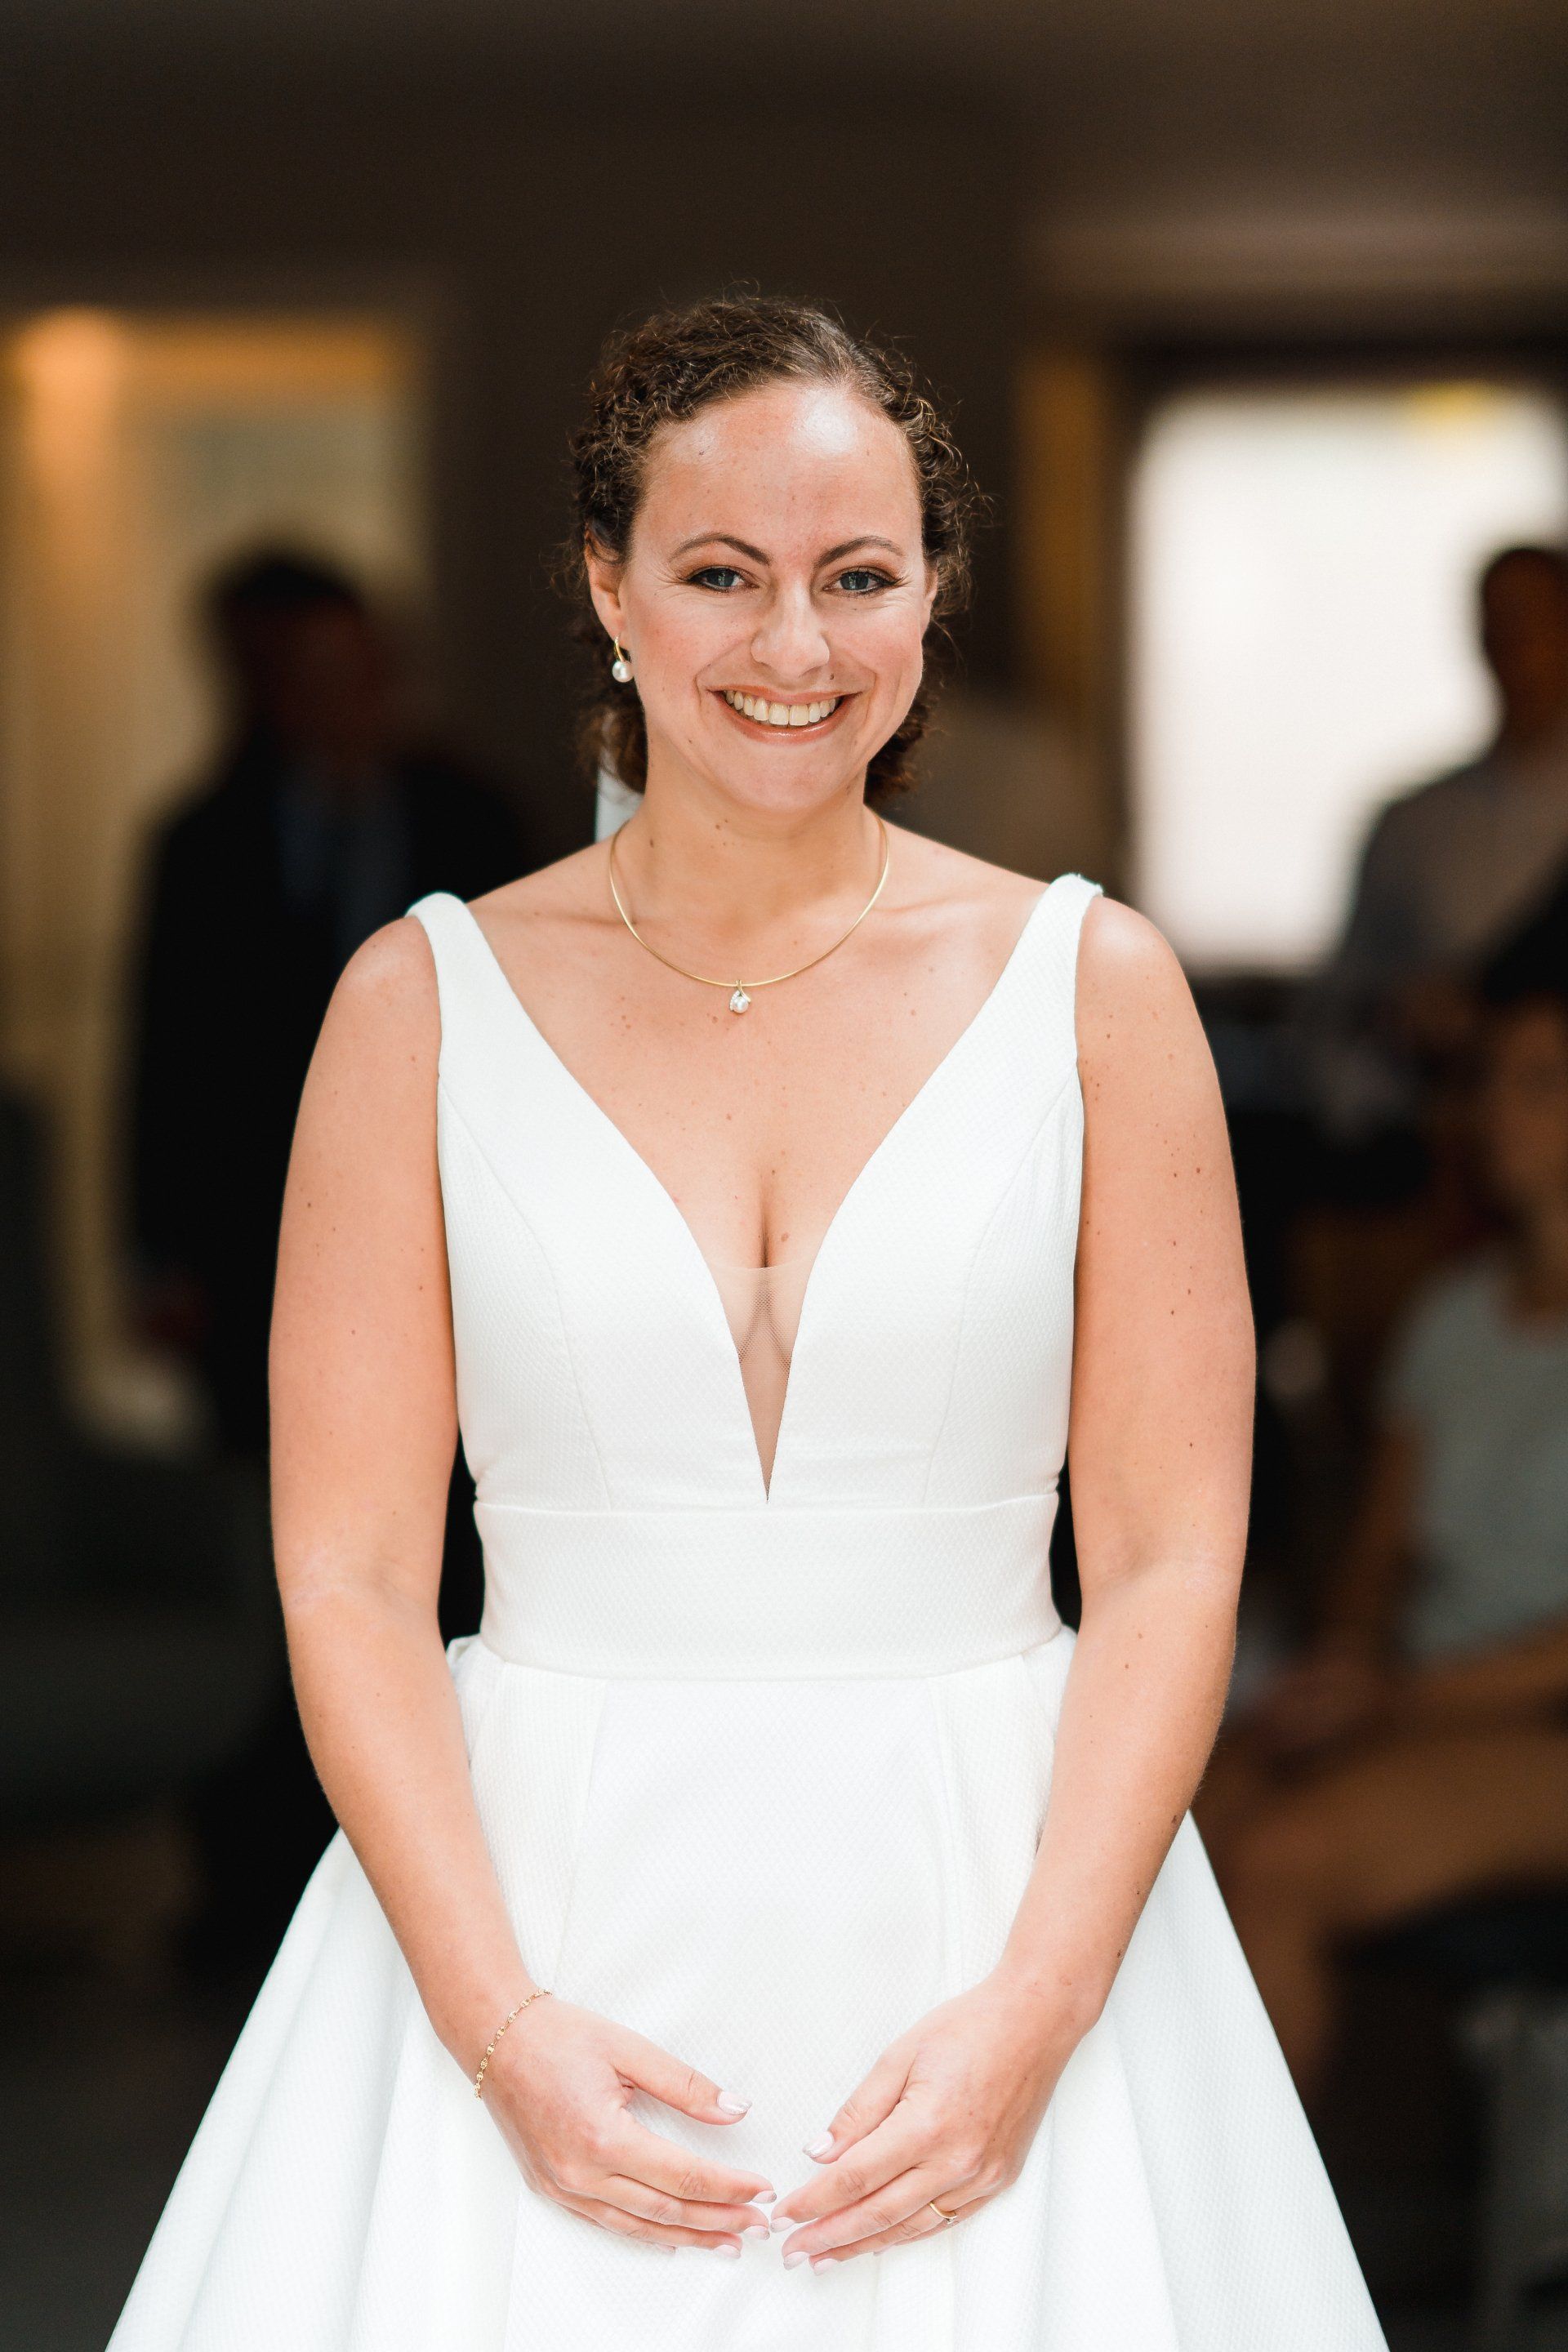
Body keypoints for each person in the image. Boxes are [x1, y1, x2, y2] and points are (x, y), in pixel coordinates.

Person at [109, 297, 1385, 2350]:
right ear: (608, 591)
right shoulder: (417, 1004)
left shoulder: (1095, 991)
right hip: (537, 1910)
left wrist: (1044, 2004)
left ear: (931, 594)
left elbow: (1168, 1558)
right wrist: (497, 2026)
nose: (797, 646)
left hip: (1000, 1902)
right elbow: (346, 1572)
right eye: (722, 574)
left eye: (857, 576)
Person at [125, 550, 533, 1967]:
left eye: (350, 669)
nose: (332, 698)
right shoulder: (201, 836)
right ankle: (278, 1881)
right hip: (252, 1257)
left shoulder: (474, 815)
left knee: (454, 1550)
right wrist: (154, 1253)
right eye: (299, 675)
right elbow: (160, 1055)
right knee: (293, 1560)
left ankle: (451, 1842)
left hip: (461, 1237)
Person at [1200, 980, 1568, 2102]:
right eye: (1487, 1080)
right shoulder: (1453, 1316)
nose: (1493, 1109)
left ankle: (1254, 2208)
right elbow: (1375, 1555)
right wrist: (1349, 1662)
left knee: (1281, 1861)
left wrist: (1399, 1698)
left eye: (1540, 1083)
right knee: (1170, 1818)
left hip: (1537, 1722)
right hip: (1419, 1692)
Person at [1305, 542, 1568, 1143]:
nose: (1520, 647)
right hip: (1434, 1154)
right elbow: (1334, 1020)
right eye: (1502, 624)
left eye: (1537, 621)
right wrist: (1405, 1045)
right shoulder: (1413, 828)